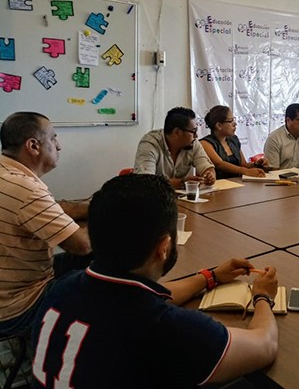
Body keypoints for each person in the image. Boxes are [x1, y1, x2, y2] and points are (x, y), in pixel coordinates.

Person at [31, 174, 279, 388]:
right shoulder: (167, 327)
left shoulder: (63, 287)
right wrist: (262, 296)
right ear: (164, 247)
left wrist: (210, 277)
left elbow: (146, 298)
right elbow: (265, 345)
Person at [0, 112, 91, 337]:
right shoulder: (26, 189)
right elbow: (82, 245)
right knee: (102, 271)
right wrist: (111, 215)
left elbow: (51, 207)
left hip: (9, 287)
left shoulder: (7, 173)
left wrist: (90, 208)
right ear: (33, 146)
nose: (58, 146)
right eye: (53, 138)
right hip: (17, 307)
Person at [134, 107, 216, 189]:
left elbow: (207, 167)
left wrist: (209, 176)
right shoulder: (150, 144)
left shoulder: (193, 143)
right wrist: (181, 183)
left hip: (183, 196)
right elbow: (145, 182)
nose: (196, 136)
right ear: (177, 132)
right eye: (193, 131)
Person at [201, 105, 269, 179]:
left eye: (234, 120)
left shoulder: (233, 140)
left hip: (237, 182)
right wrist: (245, 171)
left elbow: (243, 164)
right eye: (230, 121)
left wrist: (256, 164)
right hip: (219, 183)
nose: (235, 124)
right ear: (219, 125)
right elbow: (219, 164)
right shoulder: (205, 143)